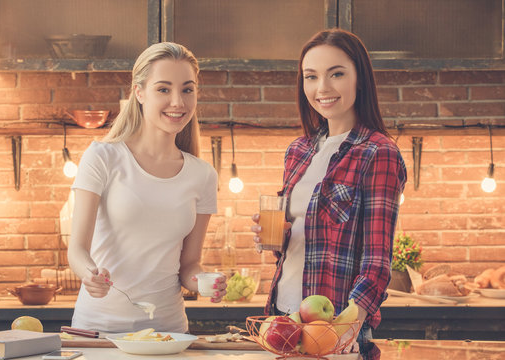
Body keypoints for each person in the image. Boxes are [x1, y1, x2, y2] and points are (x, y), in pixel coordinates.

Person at [251, 29, 407, 357]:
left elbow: (377, 259)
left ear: (359, 79)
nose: (322, 88)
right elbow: (298, 247)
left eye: (336, 74)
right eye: (311, 76)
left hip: (335, 326)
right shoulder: (299, 151)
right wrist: (277, 237)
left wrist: (352, 323)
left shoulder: (377, 152)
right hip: (282, 318)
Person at [68, 42, 225, 334]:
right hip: (100, 331)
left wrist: (205, 283)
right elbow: (77, 248)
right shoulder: (102, 157)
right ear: (139, 92)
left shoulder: (202, 175)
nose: (178, 102)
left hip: (167, 333)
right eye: (163, 89)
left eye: (187, 89)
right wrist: (90, 274)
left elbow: (188, 265)